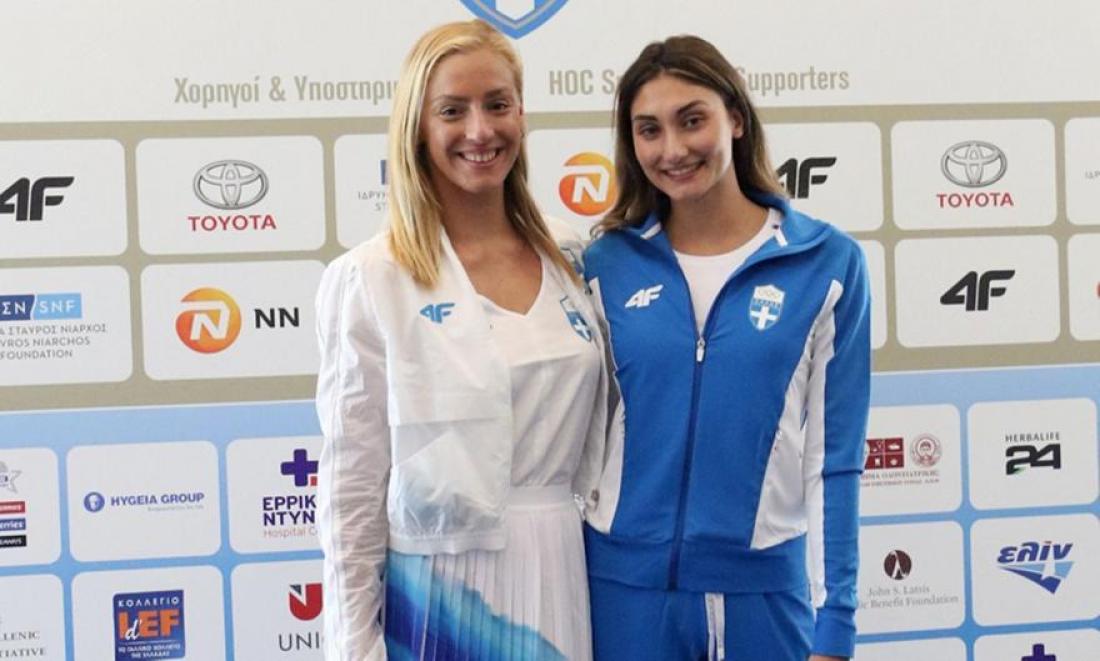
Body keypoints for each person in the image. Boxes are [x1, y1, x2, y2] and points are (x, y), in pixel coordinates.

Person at [314, 19, 607, 661]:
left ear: (521, 115)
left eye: (497, 105)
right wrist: (354, 646)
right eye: (453, 110)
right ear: (417, 127)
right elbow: (351, 490)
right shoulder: (374, 277)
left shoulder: (571, 253)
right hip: (440, 586)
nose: (480, 130)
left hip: (561, 563)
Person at [581, 35, 871, 661]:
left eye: (692, 120)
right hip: (623, 593)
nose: (672, 149)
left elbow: (834, 458)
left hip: (763, 595)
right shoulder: (604, 265)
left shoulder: (826, 264)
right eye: (649, 129)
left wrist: (836, 622)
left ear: (735, 118)